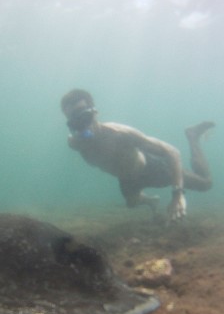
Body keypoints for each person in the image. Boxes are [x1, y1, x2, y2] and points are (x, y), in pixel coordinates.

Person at [61, 89, 214, 222]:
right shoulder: (75, 143)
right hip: (126, 178)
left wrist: (177, 194)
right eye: (75, 122)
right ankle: (152, 201)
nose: (82, 125)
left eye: (84, 116)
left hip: (153, 169)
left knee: (206, 184)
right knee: (132, 203)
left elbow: (172, 151)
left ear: (95, 112)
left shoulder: (119, 134)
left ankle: (192, 136)